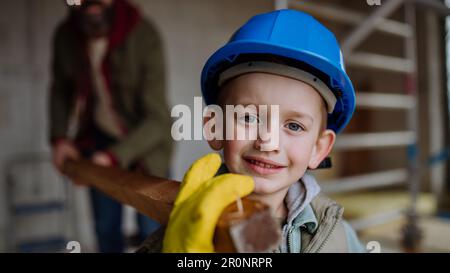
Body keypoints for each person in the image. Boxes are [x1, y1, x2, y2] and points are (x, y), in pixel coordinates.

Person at [137, 9, 365, 253]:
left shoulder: (335, 231)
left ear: (318, 149)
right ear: (215, 126)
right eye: (248, 117)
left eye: (294, 126)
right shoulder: (186, 228)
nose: (267, 142)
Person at [49, 0, 173, 252]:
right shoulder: (65, 35)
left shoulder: (144, 34)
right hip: (98, 139)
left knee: (153, 232)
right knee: (105, 229)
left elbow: (158, 119)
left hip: (146, 145)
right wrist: (59, 138)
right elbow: (61, 89)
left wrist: (113, 156)